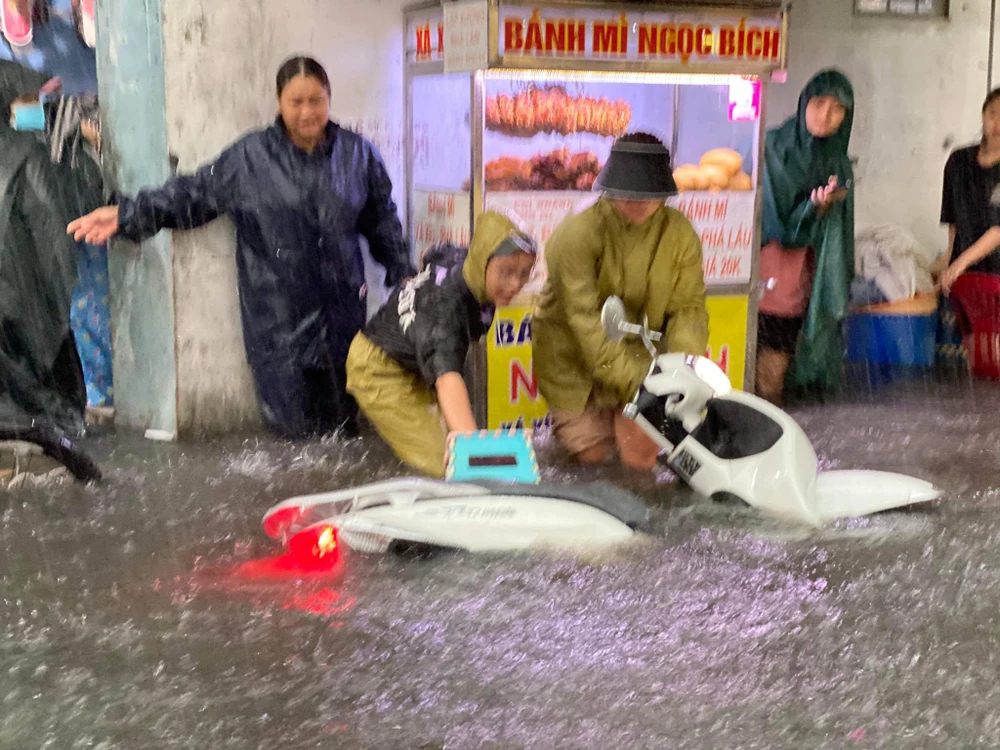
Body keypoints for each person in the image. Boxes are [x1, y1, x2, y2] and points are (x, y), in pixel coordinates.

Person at [68, 56, 414, 439]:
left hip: (343, 321)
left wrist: (404, 274)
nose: (307, 112)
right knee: (293, 447)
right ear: (279, 102)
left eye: (316, 100)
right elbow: (192, 195)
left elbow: (382, 221)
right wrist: (127, 214)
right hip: (278, 328)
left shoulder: (357, 156)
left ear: (329, 99)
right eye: (295, 101)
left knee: (345, 436)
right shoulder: (250, 159)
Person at [532, 132, 709, 469]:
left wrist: (675, 377)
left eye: (648, 195)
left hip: (641, 356)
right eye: (628, 194)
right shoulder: (577, 234)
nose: (638, 203)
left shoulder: (680, 235)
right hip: (572, 361)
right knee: (594, 461)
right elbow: (584, 322)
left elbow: (689, 311)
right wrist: (638, 387)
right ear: (610, 189)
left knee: (640, 464)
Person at [346, 212, 536, 477]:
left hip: (413, 360)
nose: (515, 284)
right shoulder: (446, 310)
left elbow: (434, 252)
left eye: (525, 273)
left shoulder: (463, 261)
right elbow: (447, 379)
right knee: (450, 464)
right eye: (505, 272)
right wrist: (478, 461)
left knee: (449, 437)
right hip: (378, 369)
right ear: (483, 263)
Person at [755, 69, 855, 405]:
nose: (825, 115)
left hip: (806, 282)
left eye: (837, 108)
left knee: (780, 377)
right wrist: (812, 207)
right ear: (803, 103)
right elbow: (771, 219)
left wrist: (825, 208)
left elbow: (839, 235)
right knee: (760, 375)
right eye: (819, 103)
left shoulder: (838, 162)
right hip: (764, 279)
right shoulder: (771, 146)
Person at [0, 61, 87, 432]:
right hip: (30, 305)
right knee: (54, 401)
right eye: (27, 98)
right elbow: (54, 233)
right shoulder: (29, 154)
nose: (36, 106)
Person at [938, 88, 1000, 292]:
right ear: (983, 115)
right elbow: (953, 221)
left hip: (995, 280)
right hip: (962, 278)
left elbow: (997, 230)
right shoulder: (958, 162)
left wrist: (959, 264)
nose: (997, 124)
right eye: (993, 113)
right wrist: (950, 262)